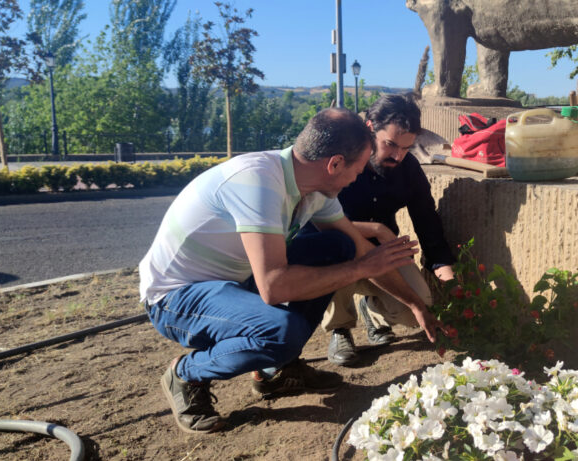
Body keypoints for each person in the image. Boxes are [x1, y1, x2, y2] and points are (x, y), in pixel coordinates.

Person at [139, 107, 440, 434]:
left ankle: (281, 370)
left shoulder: (315, 190)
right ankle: (186, 372)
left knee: (339, 246)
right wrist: (359, 268)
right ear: (335, 164)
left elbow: (363, 252)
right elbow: (274, 287)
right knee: (280, 333)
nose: (358, 177)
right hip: (175, 299)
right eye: (356, 168)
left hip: (232, 281)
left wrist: (416, 305)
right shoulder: (258, 181)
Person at [321, 94, 457, 366]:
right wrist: (376, 228)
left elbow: (427, 222)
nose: (398, 155)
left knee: (419, 306)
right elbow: (316, 219)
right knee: (332, 248)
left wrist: (449, 278)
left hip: (384, 254)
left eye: (407, 148)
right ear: (370, 128)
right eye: (390, 145)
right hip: (340, 246)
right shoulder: (338, 160)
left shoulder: (408, 168)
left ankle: (372, 310)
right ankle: (340, 327)